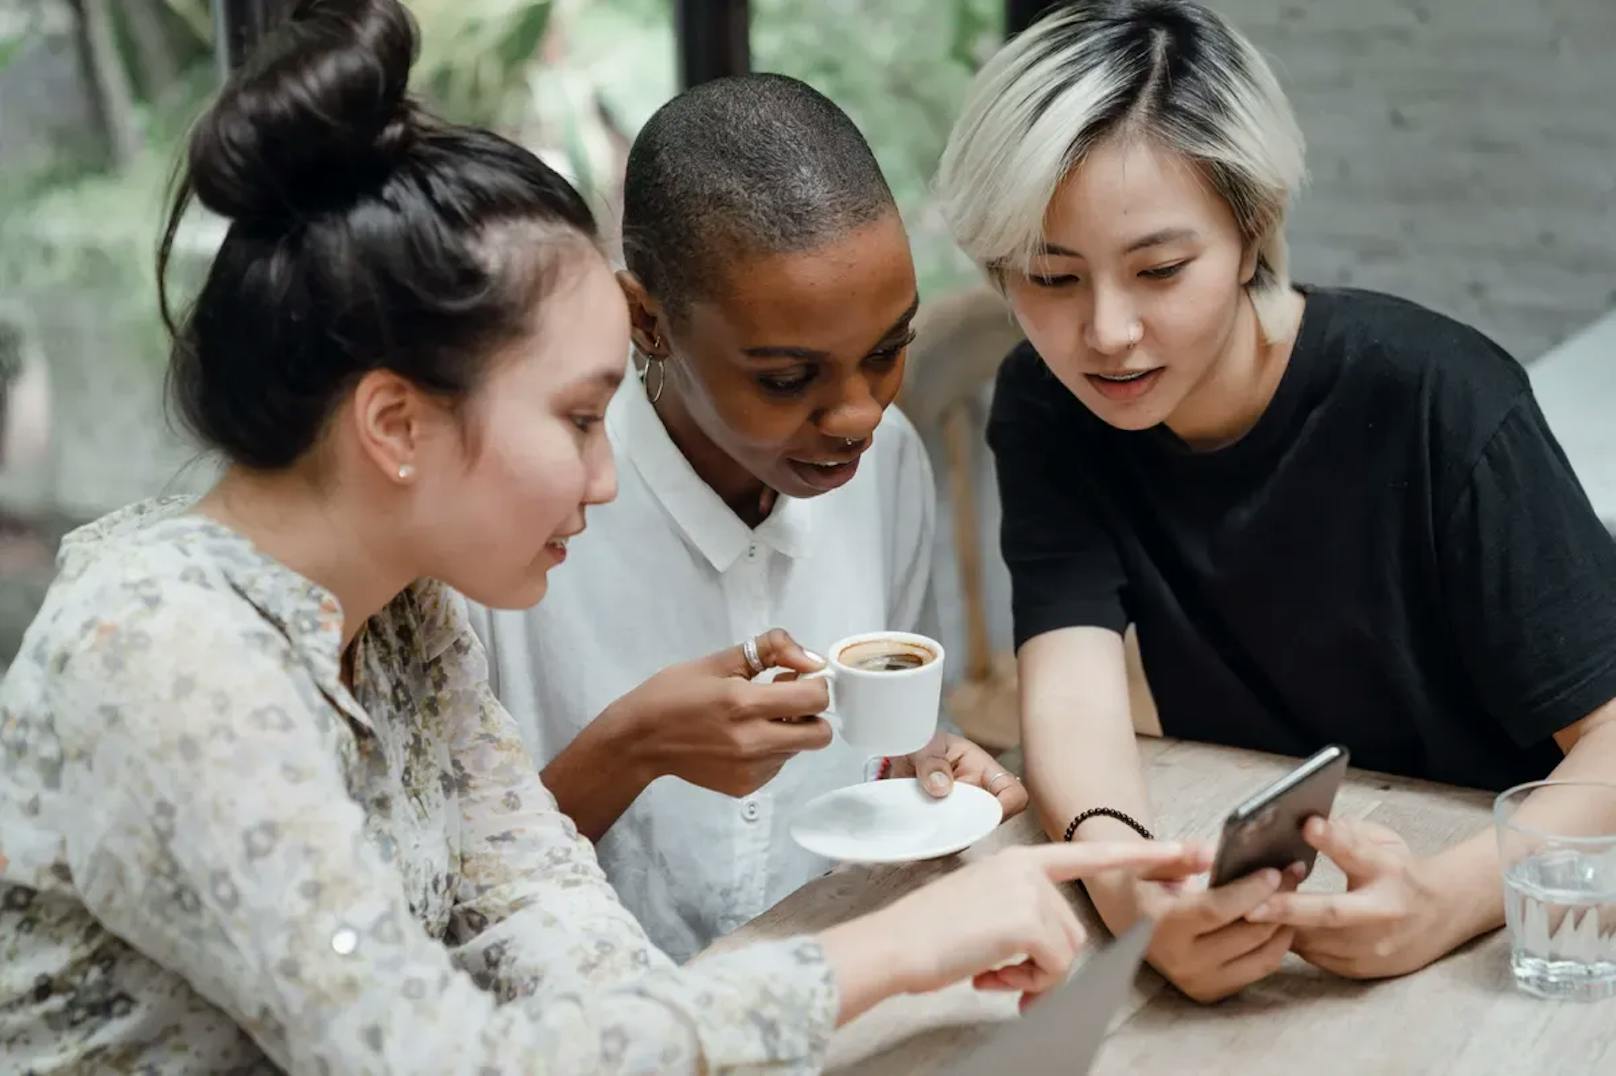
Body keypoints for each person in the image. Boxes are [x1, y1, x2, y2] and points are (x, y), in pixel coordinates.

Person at [0, 2, 1210, 1071]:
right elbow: (434, 1054)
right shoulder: (164, 651)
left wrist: (871, 970)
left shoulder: (405, 615)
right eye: (581, 417)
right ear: (394, 420)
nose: (603, 471)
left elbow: (543, 923)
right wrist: (886, 953)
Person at [934, 0, 1616, 1002]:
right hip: (1273, 893)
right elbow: (1071, 690)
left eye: (1159, 269)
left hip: (1519, 918)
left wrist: (1444, 897)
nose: (1105, 331)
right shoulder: (1050, 401)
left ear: (1253, 230)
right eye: (1049, 276)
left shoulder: (1437, 394)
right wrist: (1132, 897)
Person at [470, 74, 1026, 960]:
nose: (858, 416)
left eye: (888, 352)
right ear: (645, 320)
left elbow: (891, 757)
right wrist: (627, 750)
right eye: (785, 379)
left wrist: (925, 765)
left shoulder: (890, 471)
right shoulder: (518, 523)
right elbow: (446, 908)